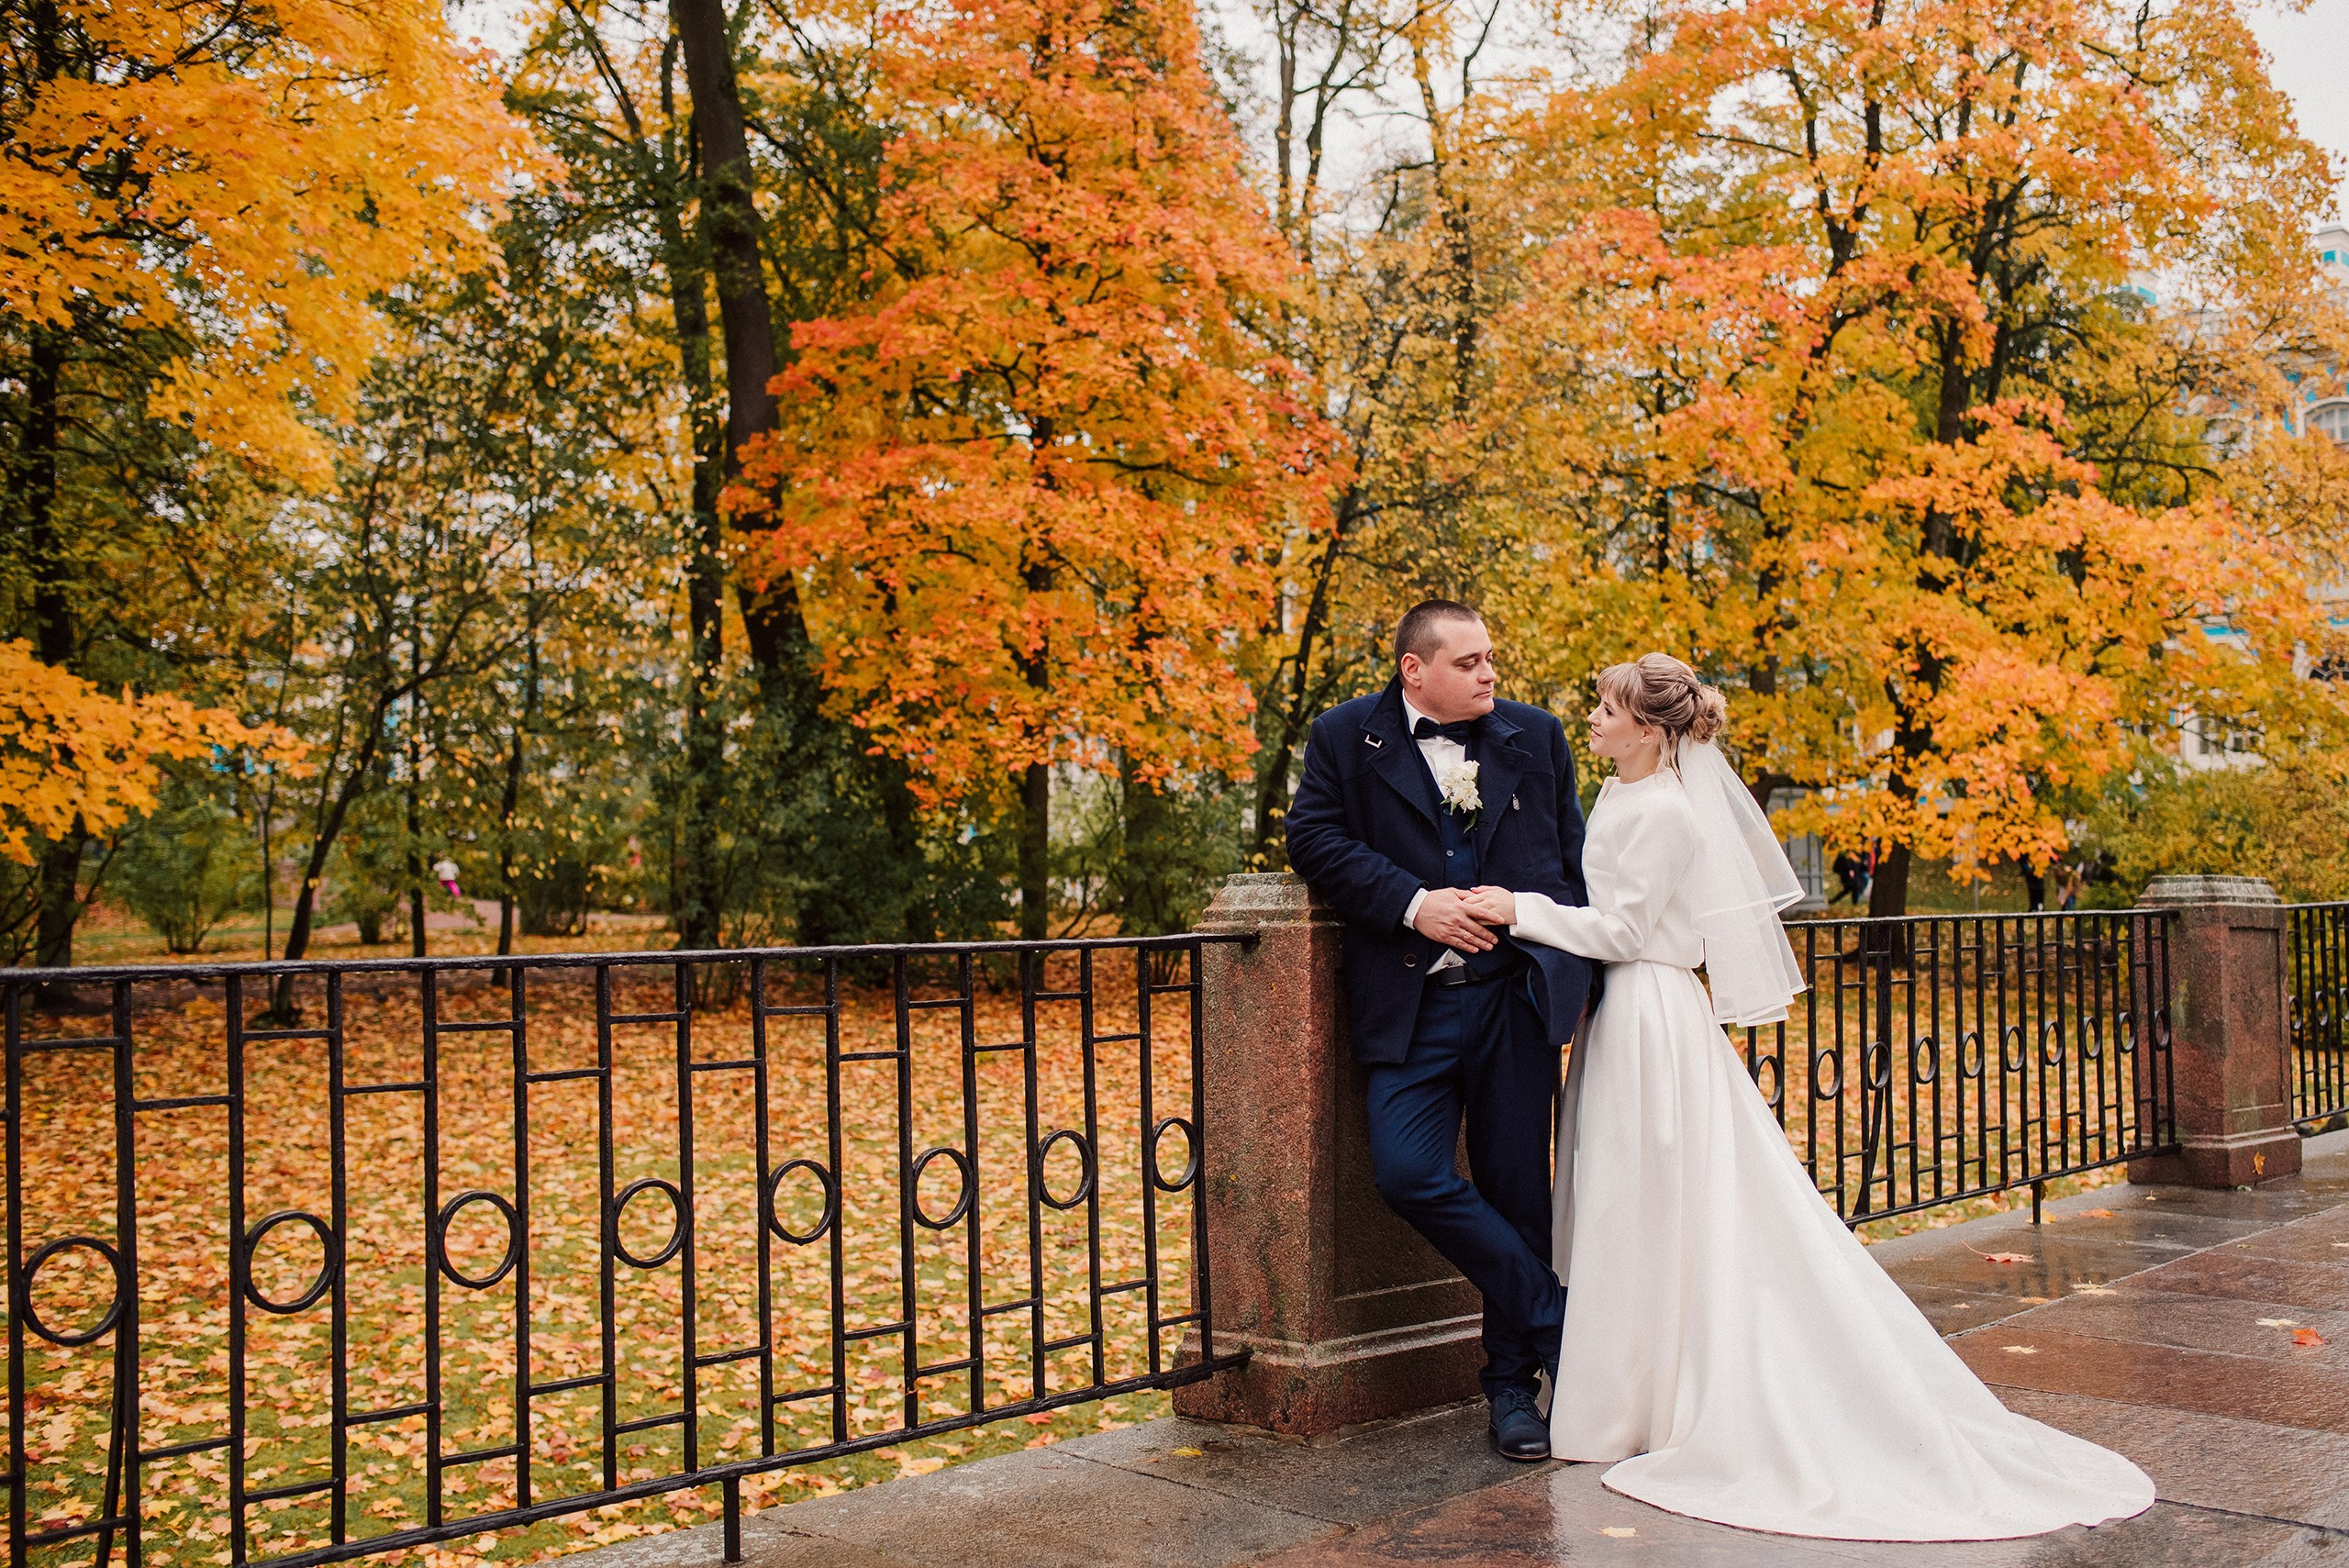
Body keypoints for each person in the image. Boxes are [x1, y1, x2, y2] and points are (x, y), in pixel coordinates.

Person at [1457, 654, 2154, 1540]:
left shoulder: (1669, 810)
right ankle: (1624, 1386)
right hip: (1616, 1016)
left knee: (1649, 1192)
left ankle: (1642, 1398)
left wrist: (1521, 909)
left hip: (1655, 1013)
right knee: (1620, 1196)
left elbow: (1629, 930)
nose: (1591, 719)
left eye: (1607, 708)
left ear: (1651, 729)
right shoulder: (1622, 796)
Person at [1285, 601, 1599, 1463]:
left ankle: (1512, 1391)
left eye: (1491, 657)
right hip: (1409, 1006)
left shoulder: (1535, 737)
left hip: (1513, 1000)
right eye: (1469, 662)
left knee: (1516, 1193)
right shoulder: (1346, 736)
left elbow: (1575, 865)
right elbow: (1311, 837)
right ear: (1413, 671)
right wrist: (1413, 904)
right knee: (1408, 1172)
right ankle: (1555, 1317)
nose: (1489, 674)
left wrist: (1574, 974)